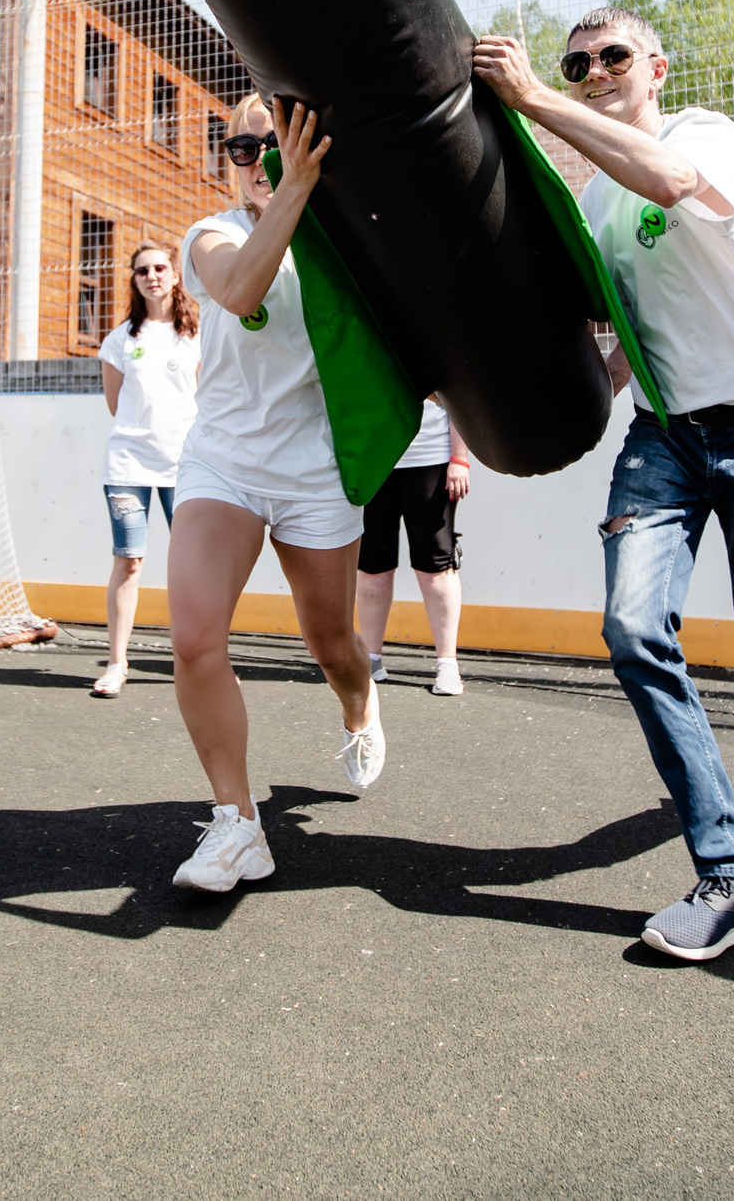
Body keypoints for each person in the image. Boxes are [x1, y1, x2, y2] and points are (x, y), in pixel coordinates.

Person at [474, 9, 734, 962]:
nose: (592, 72)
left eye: (611, 57)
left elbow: (667, 180)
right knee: (631, 628)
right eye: (575, 64)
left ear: (655, 67)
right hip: (665, 437)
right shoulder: (593, 210)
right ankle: (733, 870)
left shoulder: (702, 136)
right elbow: (618, 349)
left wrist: (532, 97)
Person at [164, 92, 384, 893]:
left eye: (275, 143)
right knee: (193, 637)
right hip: (223, 461)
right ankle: (238, 825)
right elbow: (241, 292)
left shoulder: (351, 245)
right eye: (241, 148)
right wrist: (289, 185)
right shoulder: (212, 233)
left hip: (316, 473)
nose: (256, 160)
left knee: (331, 643)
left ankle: (360, 705)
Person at [92, 241, 202, 698]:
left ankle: (201, 664)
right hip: (127, 466)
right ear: (134, 281)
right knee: (130, 563)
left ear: (175, 275)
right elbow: (117, 406)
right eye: (142, 271)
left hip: (187, 468)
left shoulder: (198, 335)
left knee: (194, 568)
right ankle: (117, 664)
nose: (152, 275)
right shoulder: (119, 341)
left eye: (160, 268)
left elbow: (208, 399)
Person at [356, 402, 471, 696]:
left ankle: (447, 663)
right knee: (373, 569)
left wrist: (460, 458)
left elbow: (459, 395)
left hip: (431, 459)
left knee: (435, 568)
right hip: (373, 460)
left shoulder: (439, 352)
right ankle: (370, 659)